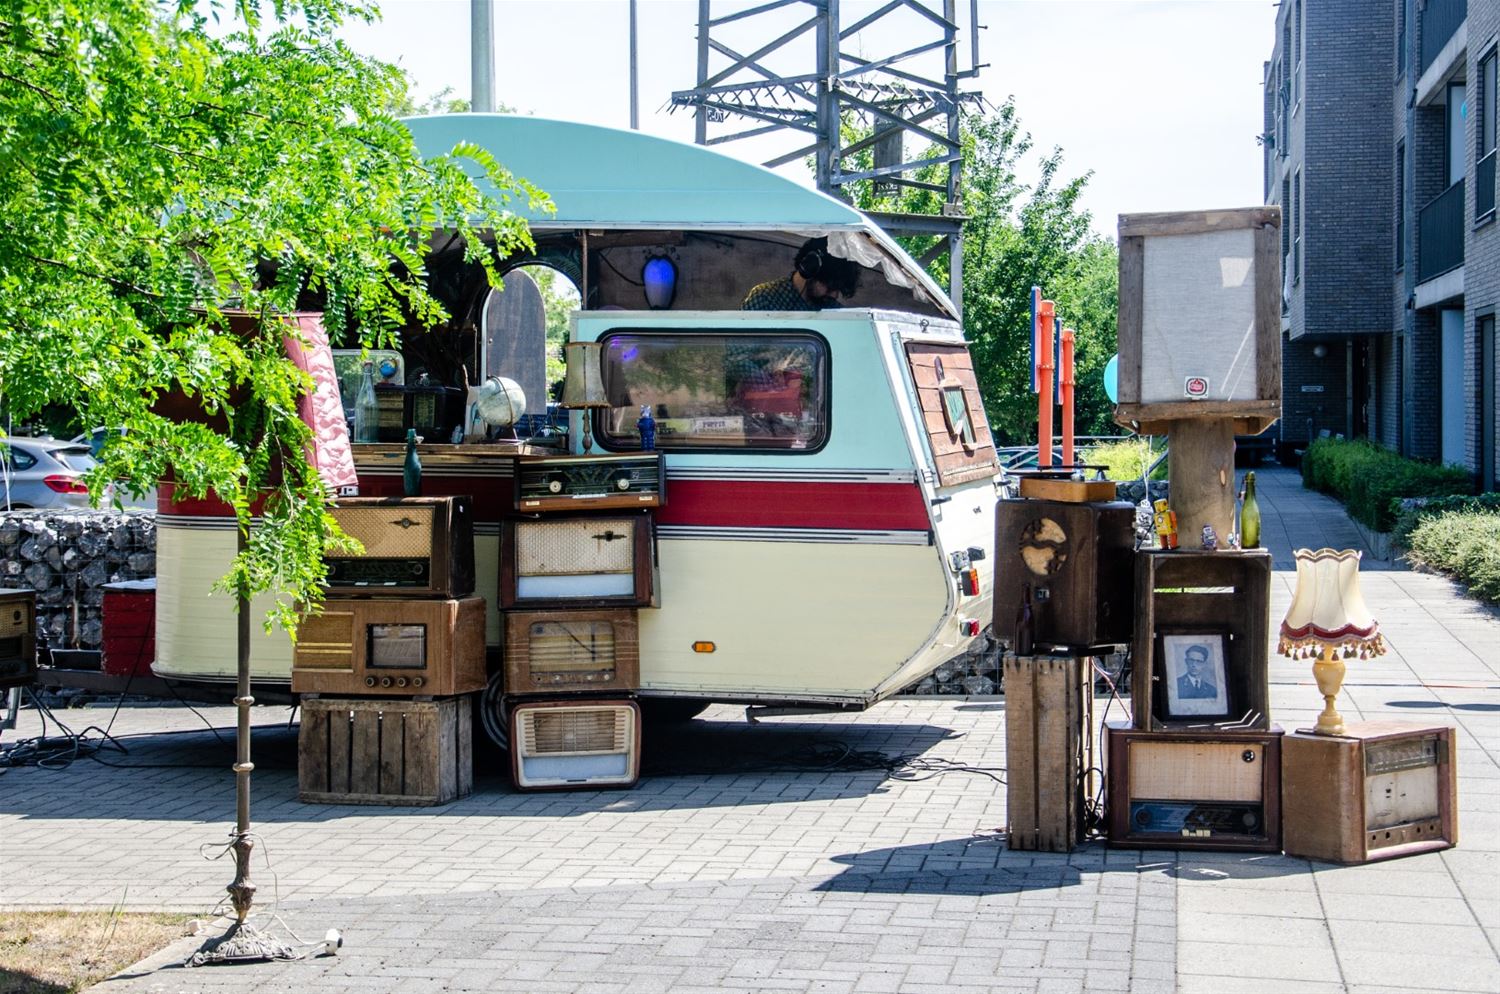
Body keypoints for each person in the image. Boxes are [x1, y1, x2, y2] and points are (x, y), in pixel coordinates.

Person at [742, 237, 860, 310]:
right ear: (809, 268)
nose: (834, 296)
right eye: (829, 287)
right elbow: (743, 344)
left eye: (838, 290)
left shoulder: (835, 311)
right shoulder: (764, 299)